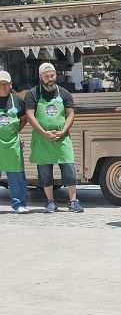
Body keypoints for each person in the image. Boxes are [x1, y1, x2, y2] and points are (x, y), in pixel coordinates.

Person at [24, 62, 83, 213]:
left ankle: (73, 201)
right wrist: (44, 132)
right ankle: (50, 202)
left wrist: (63, 131)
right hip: (42, 140)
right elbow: (30, 116)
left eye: (52, 75)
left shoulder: (64, 93)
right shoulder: (32, 94)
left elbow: (70, 114)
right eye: (46, 76)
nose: (50, 79)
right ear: (40, 77)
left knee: (69, 170)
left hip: (62, 139)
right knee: (44, 173)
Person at [0, 70, 29, 213]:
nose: (3, 86)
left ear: (11, 84)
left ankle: (19, 204)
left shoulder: (17, 100)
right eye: (0, 84)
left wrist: (15, 131)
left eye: (5, 83)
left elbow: (24, 119)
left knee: (16, 175)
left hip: (12, 144)